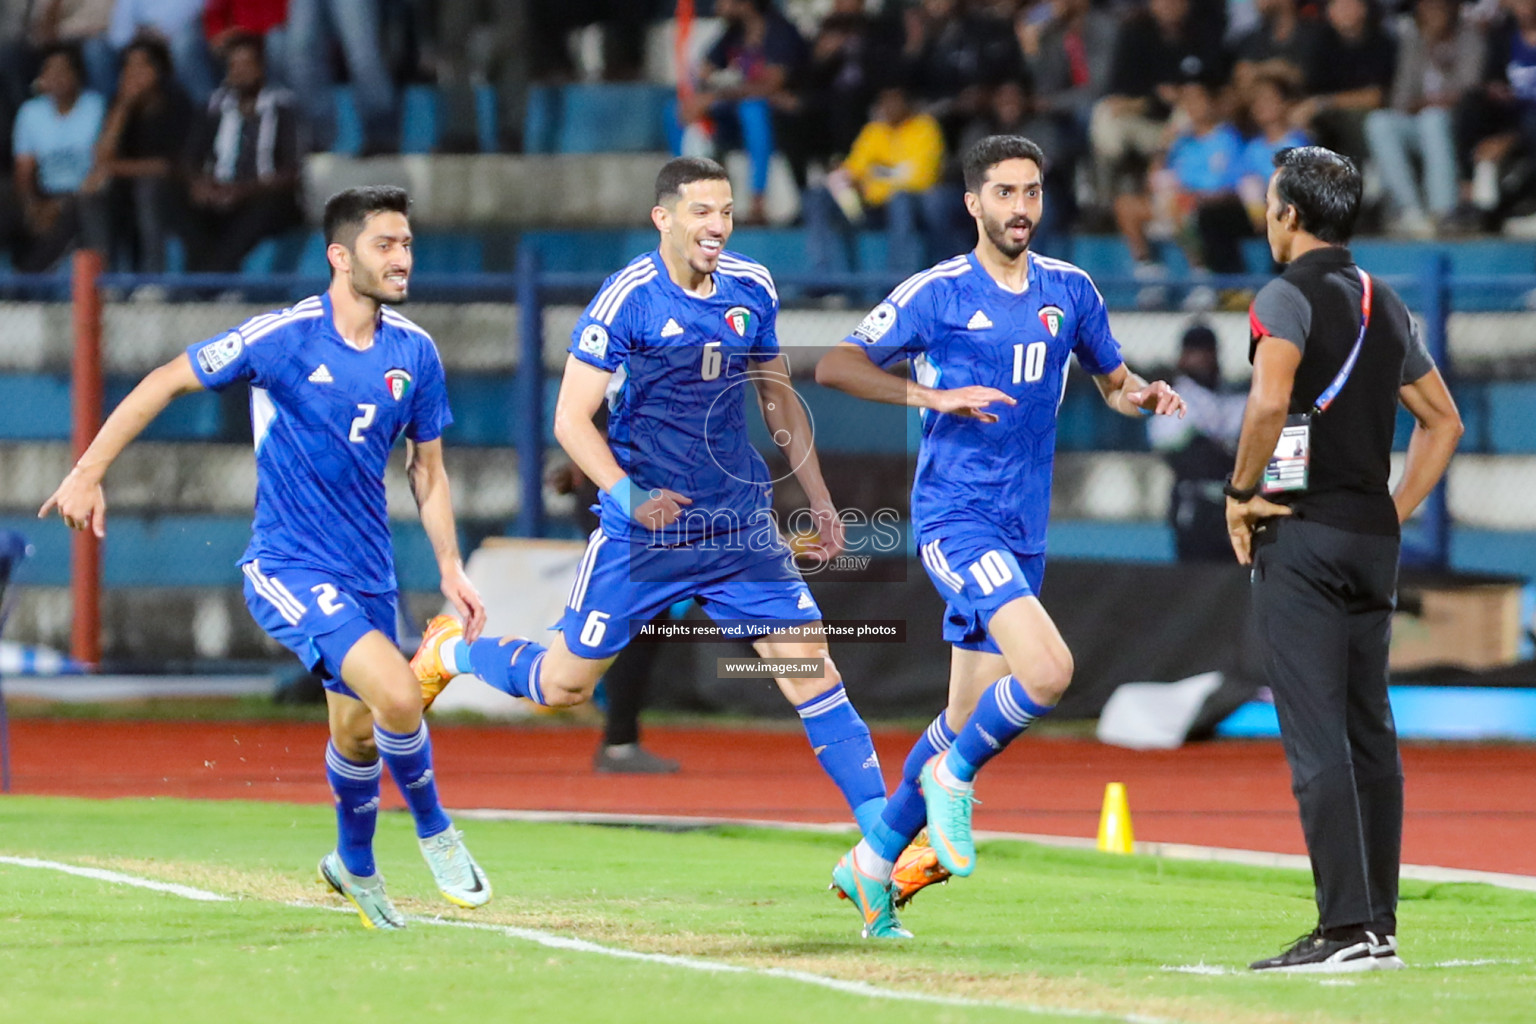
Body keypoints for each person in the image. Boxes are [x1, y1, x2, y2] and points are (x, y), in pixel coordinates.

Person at [411, 157, 900, 880]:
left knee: (812, 671)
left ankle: (886, 850)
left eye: (727, 211)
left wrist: (818, 496)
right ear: (662, 218)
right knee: (564, 688)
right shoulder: (627, 300)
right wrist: (627, 494)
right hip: (647, 533)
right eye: (702, 211)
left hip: (738, 527)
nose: (718, 226)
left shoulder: (752, 286)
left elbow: (775, 396)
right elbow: (571, 420)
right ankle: (453, 651)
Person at [39, 186, 494, 931]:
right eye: (387, 245)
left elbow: (428, 470)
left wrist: (449, 566)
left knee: (355, 731)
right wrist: (88, 471)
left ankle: (354, 865)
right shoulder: (283, 337)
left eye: (407, 244)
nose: (403, 258)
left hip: (370, 573)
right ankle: (437, 830)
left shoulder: (415, 351)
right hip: (287, 565)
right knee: (403, 697)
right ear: (340, 257)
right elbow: (165, 380)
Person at [814, 135, 1187, 938]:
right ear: (973, 204)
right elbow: (837, 366)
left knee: (961, 716)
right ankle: (953, 779)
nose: (1021, 208)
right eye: (1005, 193)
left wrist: (1143, 397)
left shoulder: (1071, 290)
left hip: (1024, 529)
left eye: (1032, 192)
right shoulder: (938, 292)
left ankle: (873, 864)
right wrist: (931, 397)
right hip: (956, 517)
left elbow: (1111, 383)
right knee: (1049, 672)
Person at [1227, 146, 1462, 971]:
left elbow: (1267, 402)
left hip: (1304, 535)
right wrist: (1391, 510)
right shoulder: (1384, 300)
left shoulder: (1282, 296)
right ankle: (1379, 925)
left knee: (1316, 737)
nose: (1266, 218)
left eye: (1268, 205)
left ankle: (1343, 928)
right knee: (1371, 734)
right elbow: (1445, 424)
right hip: (1371, 537)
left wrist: (1239, 490)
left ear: (1289, 215)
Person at [546, 456, 680, 774]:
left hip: (638, 508)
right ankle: (463, 656)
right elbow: (582, 428)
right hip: (622, 512)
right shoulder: (617, 407)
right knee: (636, 623)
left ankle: (621, 740)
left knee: (646, 623)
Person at [673, 0, 807, 225]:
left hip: (781, 118)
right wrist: (699, 96)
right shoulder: (733, 33)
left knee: (753, 110)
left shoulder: (780, 32)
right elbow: (705, 71)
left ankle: (758, 202)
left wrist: (715, 96)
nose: (717, 5)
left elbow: (771, 85)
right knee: (675, 112)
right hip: (731, 113)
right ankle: (689, 196)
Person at [182, 31, 302, 272]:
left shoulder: (284, 107)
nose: (239, 72)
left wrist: (243, 191)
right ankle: (194, 279)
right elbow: (189, 158)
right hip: (222, 190)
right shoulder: (214, 106)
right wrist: (200, 185)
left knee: (265, 208)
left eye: (246, 64)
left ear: (262, 68)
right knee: (182, 203)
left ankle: (213, 280)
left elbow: (292, 170)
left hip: (266, 194)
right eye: (234, 65)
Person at [804, 82, 950, 279]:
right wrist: (857, 183)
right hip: (869, 205)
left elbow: (921, 179)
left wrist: (871, 183)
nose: (889, 107)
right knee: (819, 196)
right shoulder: (874, 131)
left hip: (906, 206)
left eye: (894, 101)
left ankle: (898, 278)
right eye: (884, 102)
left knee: (901, 199)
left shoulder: (925, 128)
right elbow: (852, 171)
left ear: (908, 104)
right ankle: (825, 277)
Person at [1364, 0, 1483, 236]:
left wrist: (1428, 98)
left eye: (1439, 7)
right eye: (1427, 8)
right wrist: (1427, 45)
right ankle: (1410, 210)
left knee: (1433, 118)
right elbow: (1401, 96)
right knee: (1379, 122)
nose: (1433, 13)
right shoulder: (1414, 40)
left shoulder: (1470, 38)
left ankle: (1443, 211)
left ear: (1452, 9)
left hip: (1456, 122)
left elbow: (1469, 90)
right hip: (1418, 119)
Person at [79, 36, 192, 272]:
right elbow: (101, 157)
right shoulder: (118, 104)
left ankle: (153, 278)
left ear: (159, 70)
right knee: (91, 193)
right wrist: (124, 106)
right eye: (129, 66)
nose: (134, 73)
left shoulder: (177, 103)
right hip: (125, 190)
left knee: (148, 189)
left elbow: (165, 166)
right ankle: (102, 279)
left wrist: (113, 168)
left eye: (142, 65)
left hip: (172, 192)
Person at [1147, 323, 1247, 561]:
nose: (1202, 360)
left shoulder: (1230, 397)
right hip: (1197, 510)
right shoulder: (1174, 398)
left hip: (1237, 507)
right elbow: (1183, 455)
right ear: (1182, 358)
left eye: (1207, 352)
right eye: (1195, 353)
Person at [7, 42, 102, 272]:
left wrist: (58, 205)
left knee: (77, 211)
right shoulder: (30, 112)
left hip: (82, 192)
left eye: (62, 71)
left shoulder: (95, 106)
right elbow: (24, 169)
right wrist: (33, 205)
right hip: (44, 192)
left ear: (77, 76)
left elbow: (101, 163)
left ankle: (30, 280)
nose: (56, 78)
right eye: (49, 71)